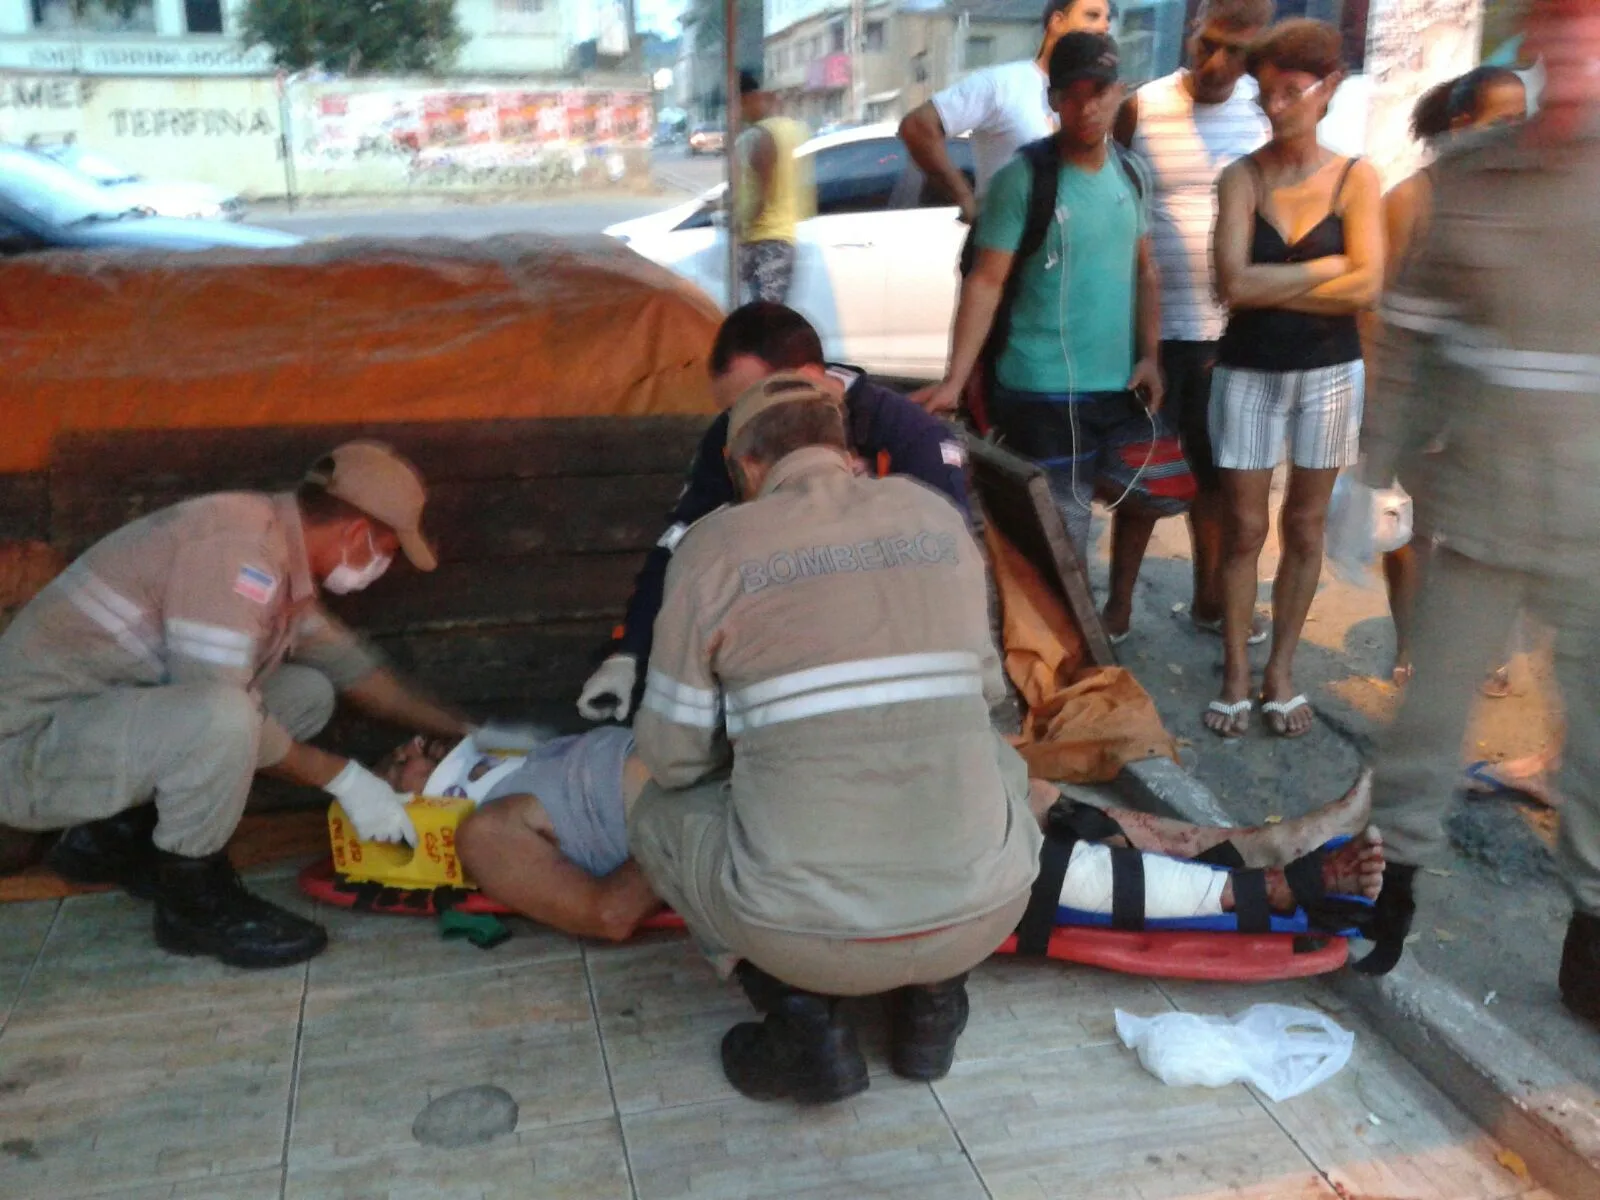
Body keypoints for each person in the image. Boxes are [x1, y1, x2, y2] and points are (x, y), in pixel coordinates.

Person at [625, 374, 1042, 1103]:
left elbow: (672, 756)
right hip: (987, 912)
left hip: (798, 936)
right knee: (1002, 764)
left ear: (746, 468)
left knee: (645, 794)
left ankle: (800, 1020)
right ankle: (932, 1007)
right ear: (846, 451)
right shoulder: (934, 516)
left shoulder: (712, 548)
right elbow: (984, 693)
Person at [1352, 0, 1600, 1031]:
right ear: (1531, 43)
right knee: (1426, 716)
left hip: (1596, 513)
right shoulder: (1470, 173)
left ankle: (1591, 936)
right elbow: (1407, 328)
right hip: (1481, 497)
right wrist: (1389, 464)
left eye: (1587, 28)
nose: (1570, 46)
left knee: (1599, 739)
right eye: (1557, 26)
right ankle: (1387, 895)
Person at [0, 443, 486, 968]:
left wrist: (472, 730)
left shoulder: (278, 550)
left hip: (88, 726)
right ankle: (194, 903)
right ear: (354, 535)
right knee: (226, 718)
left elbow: (355, 670)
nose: (383, 565)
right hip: (27, 751)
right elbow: (223, 709)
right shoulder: (237, 553)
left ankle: (111, 839)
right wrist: (346, 779)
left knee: (306, 694)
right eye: (387, 550)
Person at [385, 728, 1383, 944]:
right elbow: (606, 914)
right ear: (396, 813)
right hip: (745, 822)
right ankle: (1259, 894)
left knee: (997, 775)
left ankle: (1247, 845)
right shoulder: (487, 831)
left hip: (761, 770)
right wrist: (690, 815)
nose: (414, 742)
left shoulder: (518, 755)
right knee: (978, 839)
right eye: (395, 760)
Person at [912, 33, 1186, 640]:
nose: (1088, 108)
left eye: (1100, 93)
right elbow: (985, 283)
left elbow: (1145, 269)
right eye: (1074, 95)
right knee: (1063, 538)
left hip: (1121, 387)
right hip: (1040, 389)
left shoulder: (1133, 174)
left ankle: (1112, 614)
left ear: (1119, 95)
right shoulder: (1023, 180)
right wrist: (956, 380)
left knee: (1159, 489)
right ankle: (1063, 651)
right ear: (1054, 100)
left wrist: (1150, 356)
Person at [576, 303, 970, 722]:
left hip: (886, 658)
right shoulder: (731, 439)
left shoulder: (910, 439)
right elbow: (679, 541)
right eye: (732, 411)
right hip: (768, 645)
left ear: (809, 380)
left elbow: (946, 577)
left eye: (752, 404)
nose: (741, 426)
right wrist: (630, 651)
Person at [1204, 19, 1383, 739]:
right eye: (1264, 93)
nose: (1275, 106)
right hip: (1247, 369)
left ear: (1328, 87)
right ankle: (1236, 675)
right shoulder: (1240, 176)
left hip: (1331, 372)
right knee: (1244, 527)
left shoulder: (1357, 177)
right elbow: (1229, 284)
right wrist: (1330, 273)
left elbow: (1370, 283)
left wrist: (1270, 280)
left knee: (1304, 524)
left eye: (1290, 91)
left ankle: (1281, 670)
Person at [1114, 0, 1274, 645]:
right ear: (1189, 30)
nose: (1216, 63)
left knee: (1216, 480)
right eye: (1208, 44)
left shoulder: (1264, 113)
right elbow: (1115, 201)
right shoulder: (1142, 108)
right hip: (1151, 332)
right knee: (1141, 473)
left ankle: (1210, 600)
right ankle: (1117, 606)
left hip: (1229, 334)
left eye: (1235, 51)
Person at [1375, 65, 1527, 684]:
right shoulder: (1410, 199)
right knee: (1411, 528)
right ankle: (1413, 647)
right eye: (1505, 121)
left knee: (1484, 533)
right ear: (1464, 125)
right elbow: (1377, 307)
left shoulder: (1518, 196)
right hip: (1421, 393)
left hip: (1495, 395)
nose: (1519, 132)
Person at [899, 0, 1115, 272]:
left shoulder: (1101, 101)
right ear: (1057, 21)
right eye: (1092, 16)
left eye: (1108, 18)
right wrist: (964, 196)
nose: (1104, 26)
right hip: (1006, 258)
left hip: (1072, 261)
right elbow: (917, 126)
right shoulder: (1004, 84)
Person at [734, 71, 814, 304]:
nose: (738, 112)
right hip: (781, 236)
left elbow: (762, 193)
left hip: (766, 239)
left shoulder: (761, 136)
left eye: (739, 104)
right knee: (768, 312)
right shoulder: (794, 130)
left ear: (751, 99)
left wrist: (741, 222)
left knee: (764, 316)